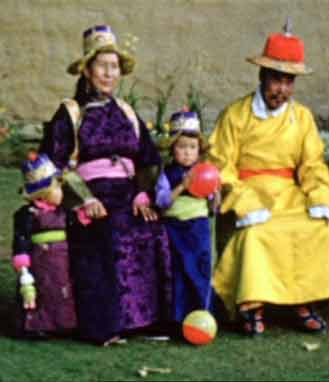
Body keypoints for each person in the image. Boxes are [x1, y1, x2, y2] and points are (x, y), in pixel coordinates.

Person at [208, 21, 329, 336]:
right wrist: (244, 200)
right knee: (257, 234)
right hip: (249, 192)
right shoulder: (236, 114)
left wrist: (321, 198)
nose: (280, 89)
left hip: (290, 194)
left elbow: (313, 165)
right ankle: (252, 304)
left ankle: (303, 301)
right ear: (261, 76)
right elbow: (221, 165)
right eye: (275, 79)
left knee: (318, 229)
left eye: (288, 81)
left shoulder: (303, 117)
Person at [39, 25, 172, 346]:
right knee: (107, 230)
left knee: (154, 229)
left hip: (128, 192)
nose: (109, 74)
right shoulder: (70, 113)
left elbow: (148, 158)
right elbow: (54, 165)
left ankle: (149, 321)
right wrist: (84, 200)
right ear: (87, 69)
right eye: (102, 67)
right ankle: (107, 325)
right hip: (90, 195)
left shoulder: (126, 112)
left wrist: (143, 192)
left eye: (114, 68)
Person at [154, 110, 218, 331]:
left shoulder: (205, 172)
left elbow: (212, 205)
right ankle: (178, 320)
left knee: (200, 270)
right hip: (174, 228)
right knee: (178, 271)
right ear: (172, 148)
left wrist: (215, 193)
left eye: (192, 147)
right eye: (181, 147)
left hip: (198, 227)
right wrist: (182, 185)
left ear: (199, 150)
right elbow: (162, 201)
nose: (187, 153)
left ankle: (202, 315)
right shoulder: (168, 174)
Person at [12, 152, 77, 339]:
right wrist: (24, 270)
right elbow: (21, 239)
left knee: (62, 288)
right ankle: (36, 325)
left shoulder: (63, 213)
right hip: (41, 259)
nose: (61, 193)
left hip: (61, 258)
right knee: (43, 289)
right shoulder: (28, 214)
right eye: (57, 188)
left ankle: (64, 323)